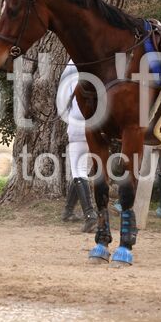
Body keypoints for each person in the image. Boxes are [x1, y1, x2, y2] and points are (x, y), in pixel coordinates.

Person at [57, 60, 97, 233]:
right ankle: (68, 211)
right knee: (82, 170)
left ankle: (90, 216)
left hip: (78, 123)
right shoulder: (101, 59)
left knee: (78, 170)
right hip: (99, 126)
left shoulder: (73, 64)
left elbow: (63, 97)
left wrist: (67, 118)